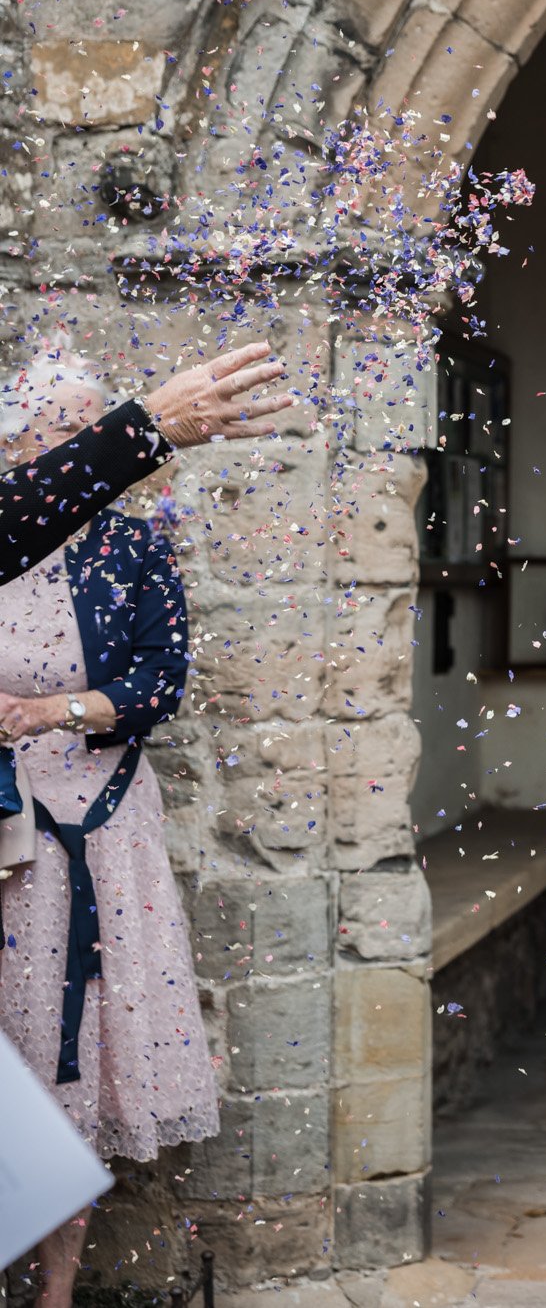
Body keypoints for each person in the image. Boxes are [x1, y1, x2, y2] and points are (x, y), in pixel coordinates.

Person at [0, 358, 215, 1308]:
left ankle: (55, 1291)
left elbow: (159, 683)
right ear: (17, 447)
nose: (79, 444)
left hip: (97, 825)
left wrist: (51, 710)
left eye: (96, 426)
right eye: (59, 428)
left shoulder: (133, 551)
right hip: (4, 829)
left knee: (70, 1051)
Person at [0, 340, 291, 584]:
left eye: (93, 432)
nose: (80, 446)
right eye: (65, 429)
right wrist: (148, 425)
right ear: (10, 444)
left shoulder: (140, 550)